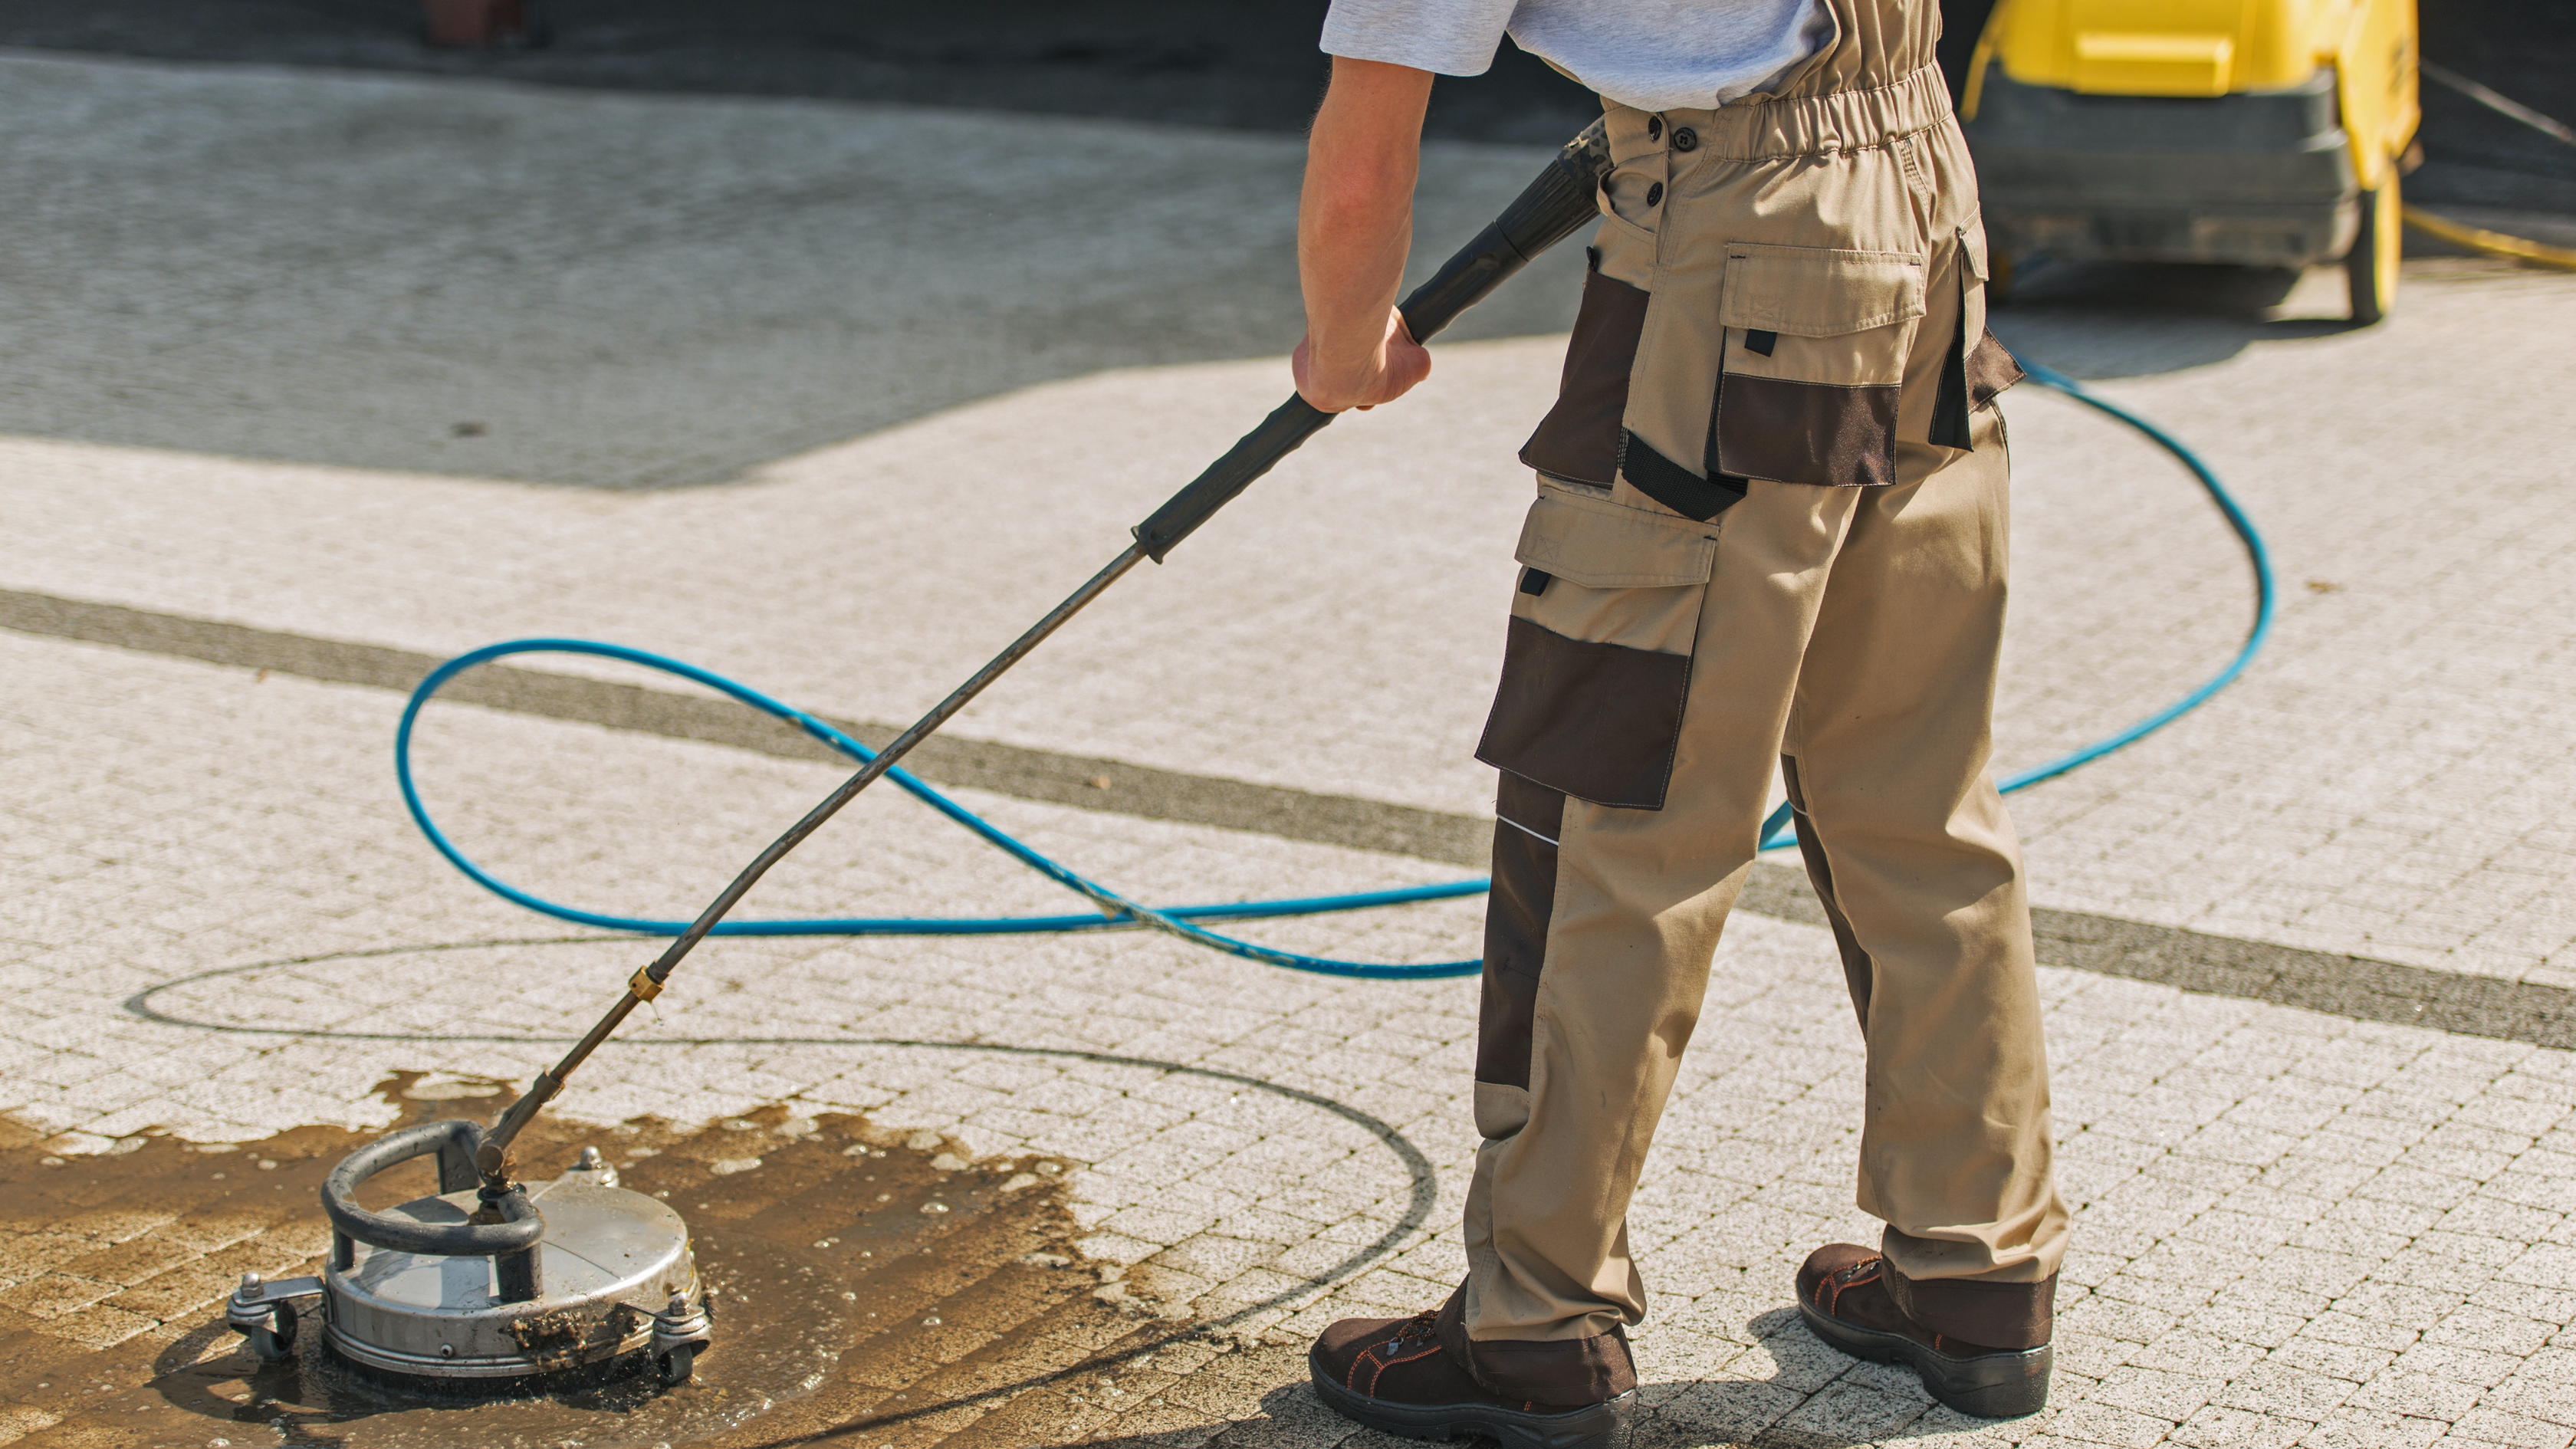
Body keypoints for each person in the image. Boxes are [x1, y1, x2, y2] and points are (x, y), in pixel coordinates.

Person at [1290, 0, 2069, 1438]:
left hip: (1722, 253)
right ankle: (1978, 1270)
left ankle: (1534, 1317)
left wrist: (1345, 344)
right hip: (1921, 186)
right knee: (1919, 799)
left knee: (1622, 810)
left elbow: (1364, 151)